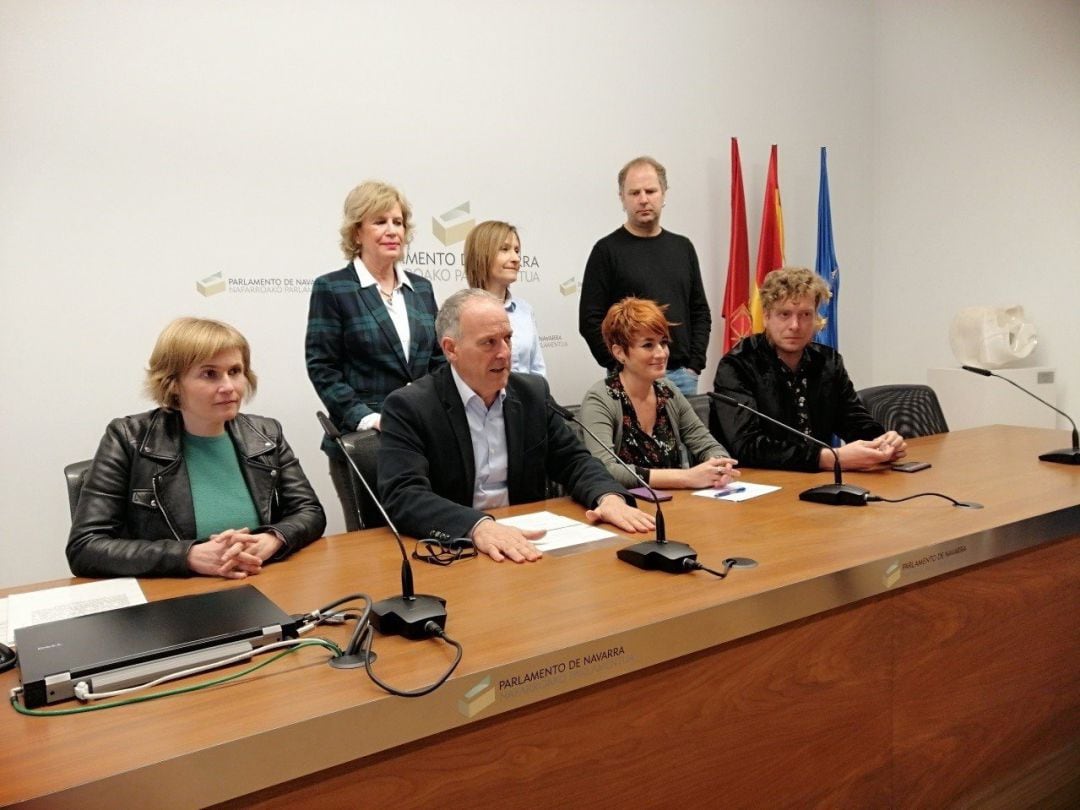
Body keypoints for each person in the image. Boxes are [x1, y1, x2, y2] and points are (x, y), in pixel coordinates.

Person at [377, 288, 655, 564]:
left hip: (528, 545)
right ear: (451, 349)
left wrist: (607, 497)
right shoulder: (411, 406)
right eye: (489, 343)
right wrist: (478, 527)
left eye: (508, 338)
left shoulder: (531, 393)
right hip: (457, 550)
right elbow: (403, 495)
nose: (505, 352)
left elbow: (574, 460)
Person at [67, 318, 326, 578]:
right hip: (173, 596)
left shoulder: (266, 434)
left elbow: (309, 511)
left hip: (259, 580)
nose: (229, 387)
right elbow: (85, 547)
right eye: (210, 374)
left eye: (235, 371)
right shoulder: (127, 438)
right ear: (173, 383)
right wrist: (188, 556)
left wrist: (272, 540)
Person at [306, 181, 444, 531]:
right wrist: (367, 417)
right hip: (366, 443)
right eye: (380, 221)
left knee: (430, 534)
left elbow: (439, 360)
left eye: (398, 222)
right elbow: (323, 367)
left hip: (423, 438)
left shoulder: (421, 288)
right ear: (357, 231)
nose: (392, 231)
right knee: (373, 548)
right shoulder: (333, 288)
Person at [711, 267, 907, 471]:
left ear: (816, 318)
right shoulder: (737, 365)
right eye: (784, 314)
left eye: (805, 315)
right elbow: (747, 446)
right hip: (756, 483)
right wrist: (829, 458)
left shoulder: (828, 361)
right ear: (767, 317)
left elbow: (853, 419)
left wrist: (881, 442)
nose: (795, 325)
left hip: (816, 479)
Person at [579, 155, 711, 396]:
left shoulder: (683, 247)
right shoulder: (606, 251)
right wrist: (619, 364)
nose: (643, 199)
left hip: (683, 378)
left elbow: (700, 311)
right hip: (630, 379)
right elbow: (590, 320)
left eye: (650, 191)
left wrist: (694, 365)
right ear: (622, 198)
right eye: (634, 193)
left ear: (664, 194)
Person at [580, 298, 739, 490]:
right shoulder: (600, 399)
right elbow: (605, 469)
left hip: (676, 504)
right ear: (620, 353)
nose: (661, 353)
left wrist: (721, 466)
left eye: (663, 343)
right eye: (648, 345)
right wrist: (686, 478)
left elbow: (706, 444)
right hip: (626, 508)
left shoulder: (667, 391)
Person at [464, 220, 546, 376]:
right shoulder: (460, 312)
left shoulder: (524, 311)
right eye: (505, 249)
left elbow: (538, 371)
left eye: (517, 250)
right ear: (482, 255)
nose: (515, 258)